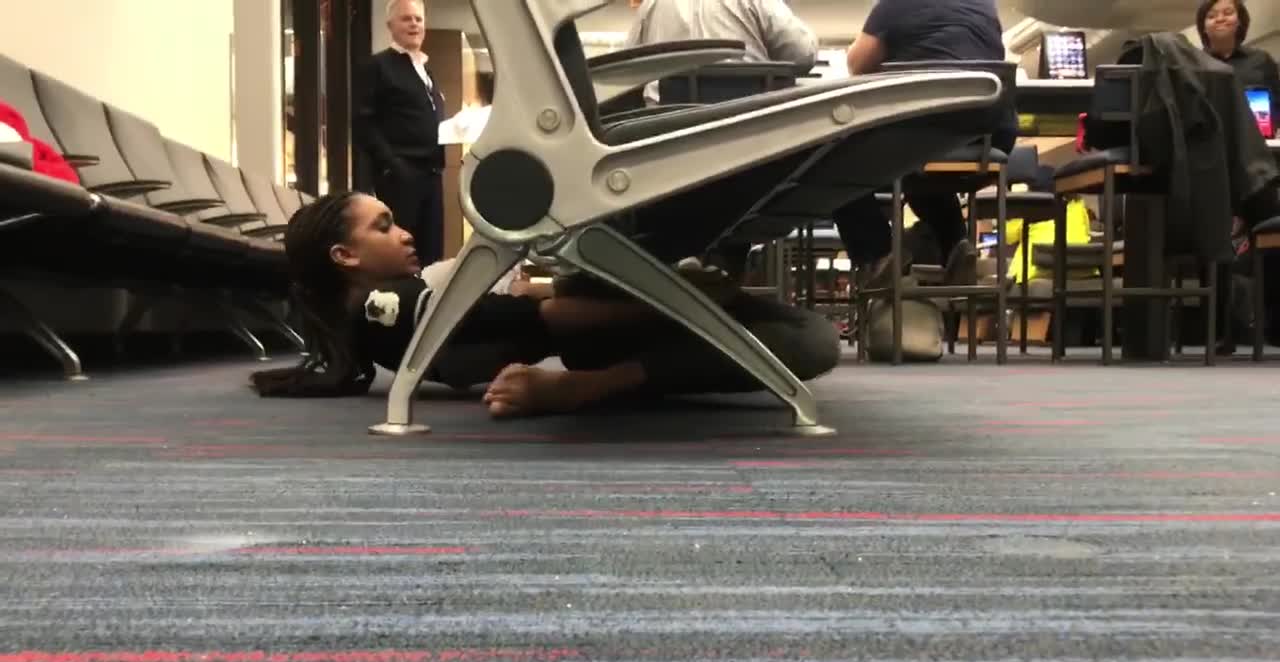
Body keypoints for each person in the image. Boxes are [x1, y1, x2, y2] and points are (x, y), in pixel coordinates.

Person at [250, 192, 841, 419]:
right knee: (810, 341)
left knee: (804, 336)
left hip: (590, 327)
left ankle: (608, 376)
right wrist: (691, 304)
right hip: (597, 329)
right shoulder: (393, 307)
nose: (404, 233)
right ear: (344, 256)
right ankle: (595, 386)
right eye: (384, 227)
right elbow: (547, 316)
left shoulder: (389, 315)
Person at [834, 0, 1015, 286]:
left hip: (924, 133)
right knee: (921, 163)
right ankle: (955, 243)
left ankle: (878, 254)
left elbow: (857, 64)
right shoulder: (985, 5)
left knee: (836, 162)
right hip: (989, 135)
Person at [1195, 0, 1280, 352]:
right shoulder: (1193, 65)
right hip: (1212, 169)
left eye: (1227, 12)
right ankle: (1218, 331)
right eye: (1212, 14)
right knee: (1213, 241)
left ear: (1241, 21)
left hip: (1258, 165)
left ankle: (1274, 325)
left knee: (1274, 231)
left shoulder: (1261, 63)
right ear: (1203, 25)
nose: (1220, 19)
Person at [353, 0, 446, 266]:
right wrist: (392, 166)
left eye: (418, 19)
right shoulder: (378, 66)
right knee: (403, 252)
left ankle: (428, 305)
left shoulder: (426, 69)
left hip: (431, 174)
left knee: (431, 253)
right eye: (406, 19)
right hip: (401, 176)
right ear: (390, 26)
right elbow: (363, 123)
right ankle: (402, 305)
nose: (414, 24)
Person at [624, 0, 818, 104]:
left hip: (669, 132)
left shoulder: (651, 4)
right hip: (751, 126)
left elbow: (627, 72)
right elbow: (803, 55)